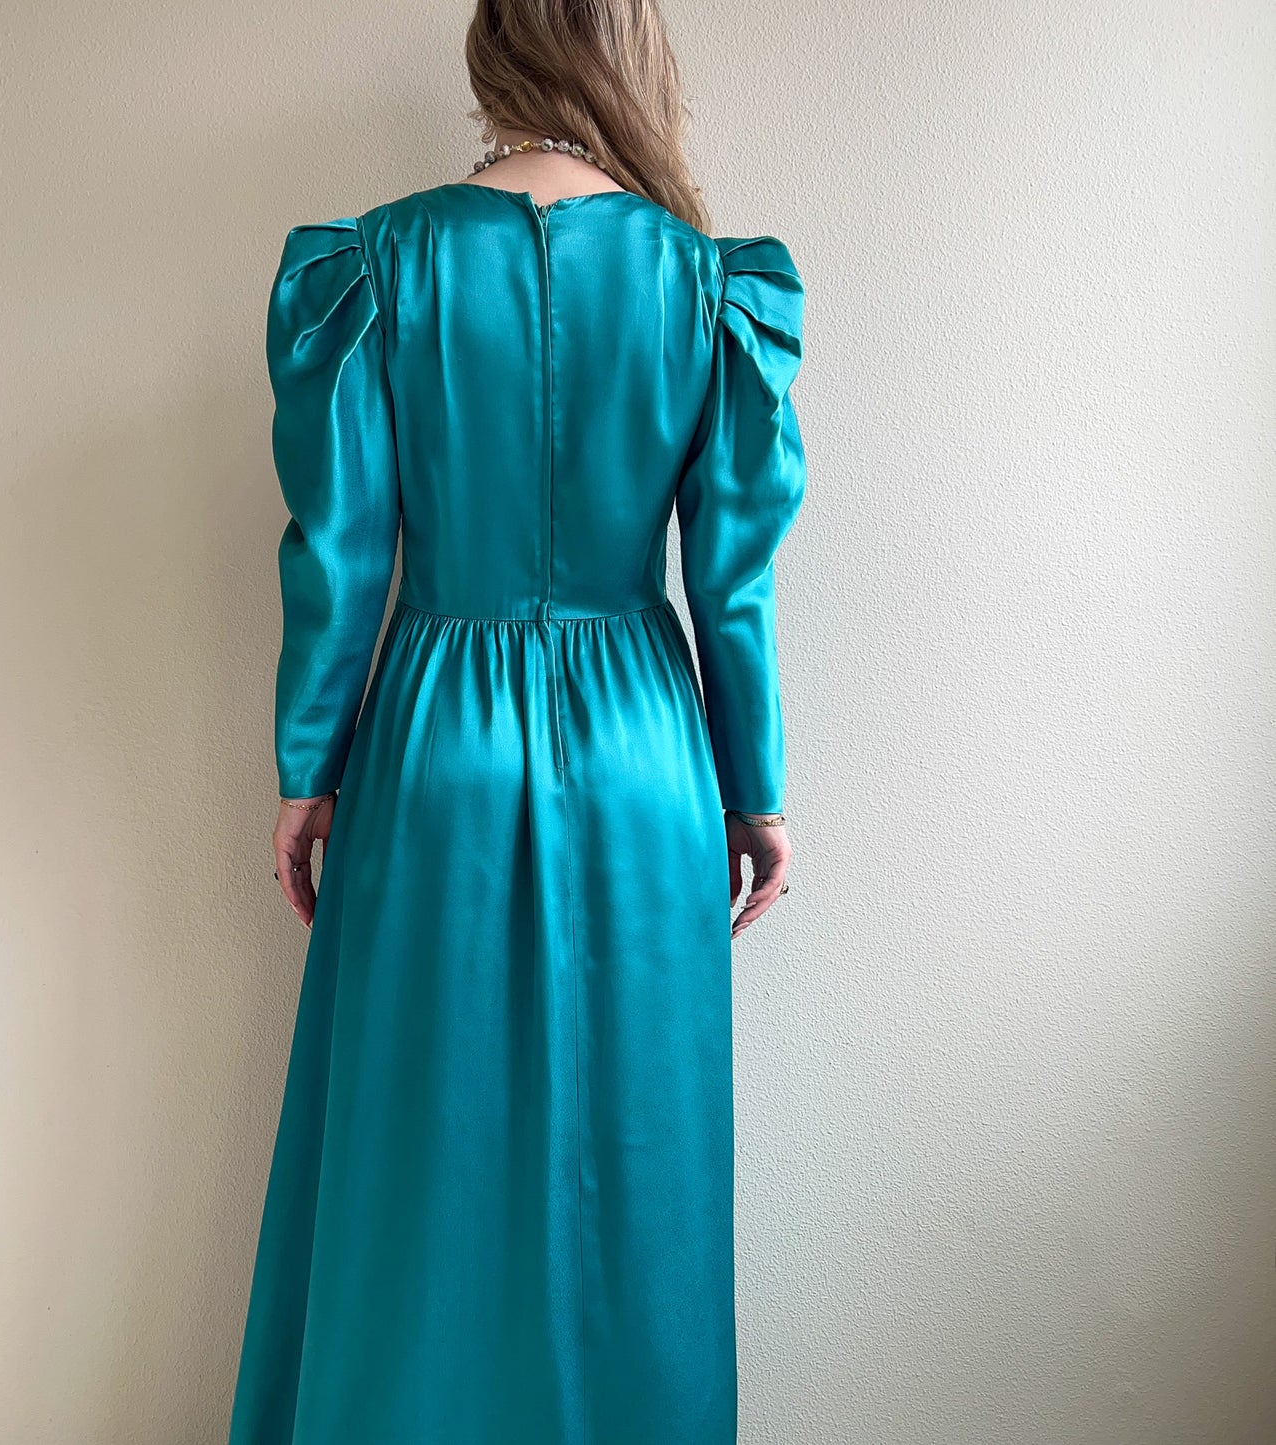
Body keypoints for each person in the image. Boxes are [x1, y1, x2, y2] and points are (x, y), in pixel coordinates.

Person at [227, 3, 807, 1441]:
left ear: (496, 57)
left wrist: (308, 766)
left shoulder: (379, 266)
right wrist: (754, 787)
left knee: (415, 1155)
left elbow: (342, 552)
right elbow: (730, 582)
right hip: (641, 747)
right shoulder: (705, 284)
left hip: (436, 735)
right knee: (637, 1169)